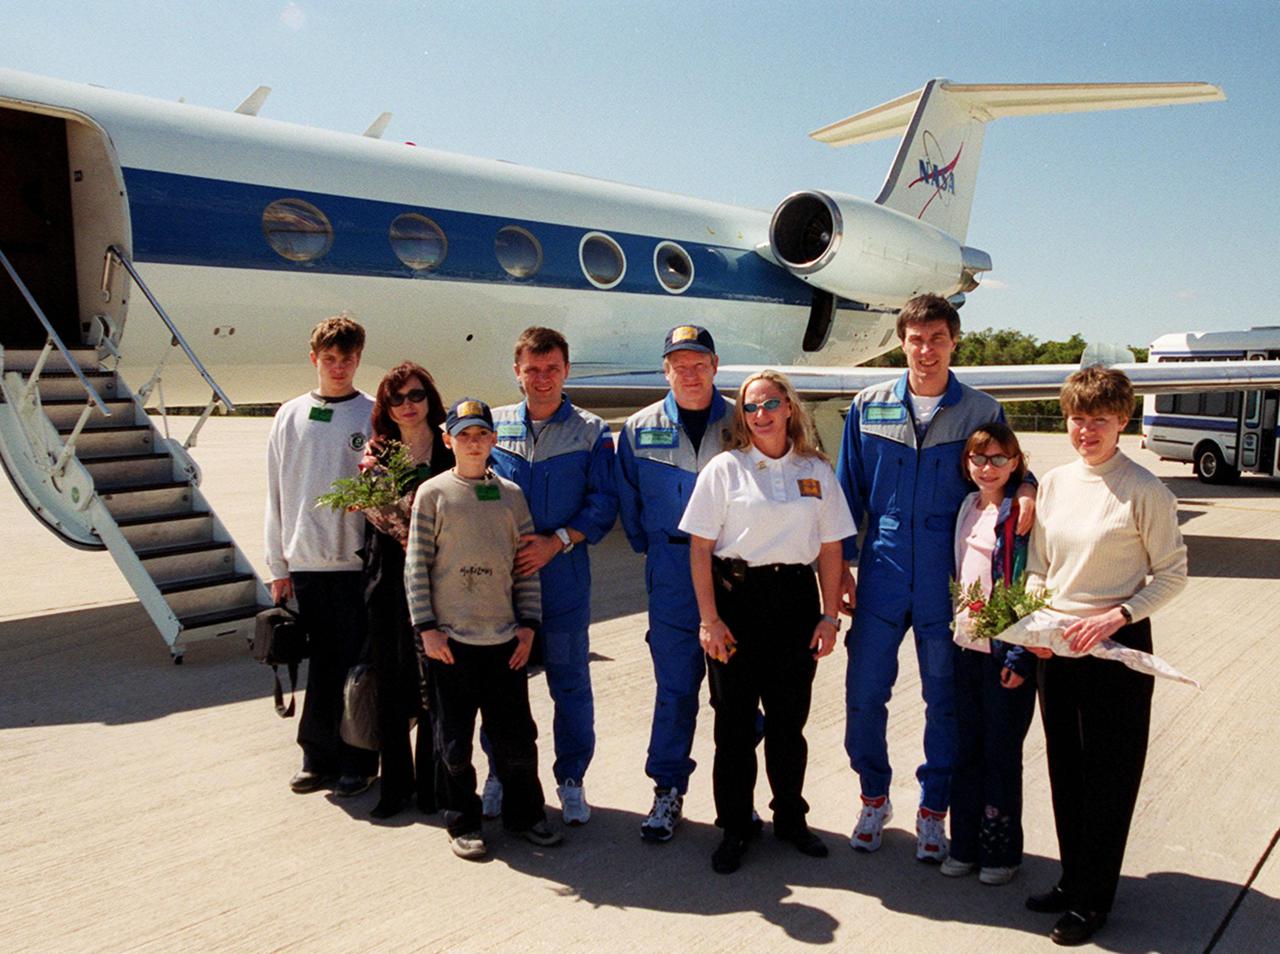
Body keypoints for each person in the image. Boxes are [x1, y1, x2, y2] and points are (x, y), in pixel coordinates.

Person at [835, 293, 1035, 860]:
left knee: (943, 700)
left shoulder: (980, 409)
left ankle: (933, 810)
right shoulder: (869, 405)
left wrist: (1028, 487)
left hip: (949, 582)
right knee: (863, 694)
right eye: (916, 339)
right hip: (881, 572)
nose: (926, 351)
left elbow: (1012, 464)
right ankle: (873, 796)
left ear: (953, 342)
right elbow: (845, 494)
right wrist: (843, 568)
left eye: (937, 339)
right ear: (902, 342)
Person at [1023, 367, 1187, 946]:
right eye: (1077, 418)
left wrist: (1117, 616)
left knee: (1109, 778)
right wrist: (1039, 619)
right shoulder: (1056, 483)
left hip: (1115, 649)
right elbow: (1040, 565)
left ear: (1123, 421)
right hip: (1060, 644)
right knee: (1065, 768)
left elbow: (1171, 575)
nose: (1086, 430)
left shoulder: (1145, 490)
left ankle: (1095, 900)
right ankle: (1072, 880)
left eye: (1099, 419)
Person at [680, 370, 854, 874]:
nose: (761, 415)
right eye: (751, 408)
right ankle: (735, 826)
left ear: (789, 408)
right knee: (733, 727)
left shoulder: (816, 470)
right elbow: (699, 548)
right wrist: (709, 620)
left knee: (788, 725)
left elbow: (831, 547)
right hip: (737, 604)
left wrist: (827, 615)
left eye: (770, 404)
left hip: (795, 604)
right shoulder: (725, 470)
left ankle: (791, 820)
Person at [405, 397, 562, 860]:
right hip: (451, 643)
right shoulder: (433, 495)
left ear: (494, 440)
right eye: (464, 435)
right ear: (448, 439)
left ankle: (526, 814)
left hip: (503, 642)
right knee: (454, 740)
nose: (474, 443)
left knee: (517, 737)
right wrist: (427, 629)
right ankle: (462, 820)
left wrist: (528, 628)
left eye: (482, 435)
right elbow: (416, 567)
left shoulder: (511, 496)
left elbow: (525, 568)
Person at [482, 327, 618, 825]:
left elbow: (603, 503)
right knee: (499, 685)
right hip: (503, 583)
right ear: (517, 372)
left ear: (566, 371)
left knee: (569, 681)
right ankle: (499, 772)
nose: (542, 379)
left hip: (561, 579)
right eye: (532, 369)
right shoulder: (493, 427)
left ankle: (572, 779)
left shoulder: (591, 430)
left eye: (552, 369)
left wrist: (557, 541)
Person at [616, 324, 734, 843]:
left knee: (736, 693)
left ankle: (738, 796)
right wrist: (662, 549)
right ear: (665, 370)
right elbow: (629, 503)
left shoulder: (742, 421)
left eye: (698, 363)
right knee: (675, 689)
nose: (689, 373)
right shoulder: (638, 428)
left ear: (714, 366)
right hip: (669, 571)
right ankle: (667, 791)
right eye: (678, 365)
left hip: (733, 573)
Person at [265, 314, 379, 797]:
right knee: (322, 665)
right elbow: (275, 493)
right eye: (329, 359)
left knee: (357, 666)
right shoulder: (289, 416)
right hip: (307, 563)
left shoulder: (373, 414)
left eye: (347, 359)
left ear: (358, 360)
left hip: (357, 566)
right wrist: (278, 565)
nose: (338, 368)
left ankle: (359, 758)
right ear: (315, 359)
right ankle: (316, 754)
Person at [939, 423, 1037, 886]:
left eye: (999, 459)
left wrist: (1019, 655)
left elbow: (1028, 582)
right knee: (967, 752)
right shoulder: (967, 507)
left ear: (1016, 463)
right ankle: (965, 845)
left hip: (1004, 654)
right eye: (979, 459)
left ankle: (1001, 852)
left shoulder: (1022, 514)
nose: (988, 467)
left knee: (1001, 754)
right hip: (967, 648)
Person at [359, 362, 454, 819]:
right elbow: (370, 513)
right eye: (396, 399)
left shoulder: (450, 451)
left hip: (438, 580)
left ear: (429, 400)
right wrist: (403, 530)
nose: (407, 406)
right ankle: (395, 786)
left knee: (436, 683)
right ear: (386, 408)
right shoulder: (377, 454)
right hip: (387, 582)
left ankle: (436, 784)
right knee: (392, 683)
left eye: (415, 396)